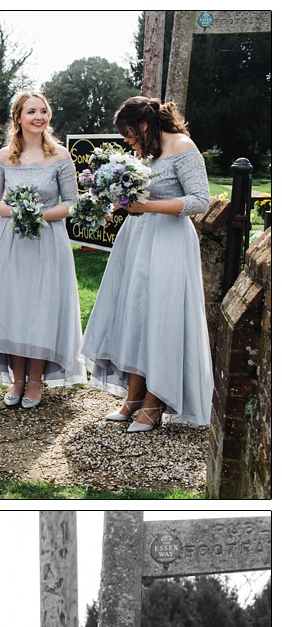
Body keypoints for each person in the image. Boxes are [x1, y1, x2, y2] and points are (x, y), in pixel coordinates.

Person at [82, 96, 214, 432]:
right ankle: (134, 395)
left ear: (143, 125)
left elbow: (200, 199)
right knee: (137, 315)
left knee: (161, 317)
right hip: (138, 240)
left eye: (128, 133)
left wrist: (147, 208)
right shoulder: (149, 151)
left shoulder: (182, 146)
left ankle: (156, 402)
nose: (126, 141)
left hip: (169, 242)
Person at [0, 90, 85, 407]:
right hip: (11, 242)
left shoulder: (60, 156)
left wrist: (37, 215)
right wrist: (17, 213)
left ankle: (35, 381)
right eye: (31, 112)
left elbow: (71, 203)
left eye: (43, 111)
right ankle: (17, 379)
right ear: (18, 117)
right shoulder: (2, 157)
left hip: (48, 242)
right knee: (13, 307)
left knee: (41, 308)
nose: (38, 117)